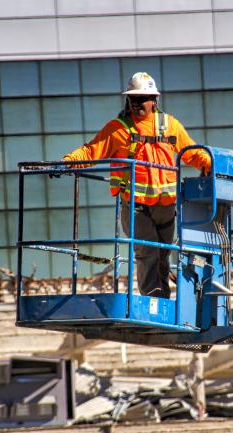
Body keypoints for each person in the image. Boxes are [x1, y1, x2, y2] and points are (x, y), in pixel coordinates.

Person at [62, 72, 212, 298]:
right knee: (148, 252)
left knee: (164, 254)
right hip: (136, 207)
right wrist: (68, 162)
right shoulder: (118, 129)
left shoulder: (170, 126)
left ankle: (164, 302)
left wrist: (212, 163)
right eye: (132, 98)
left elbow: (191, 152)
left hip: (166, 206)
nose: (136, 103)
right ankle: (154, 301)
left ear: (154, 100)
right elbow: (91, 150)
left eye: (142, 99)